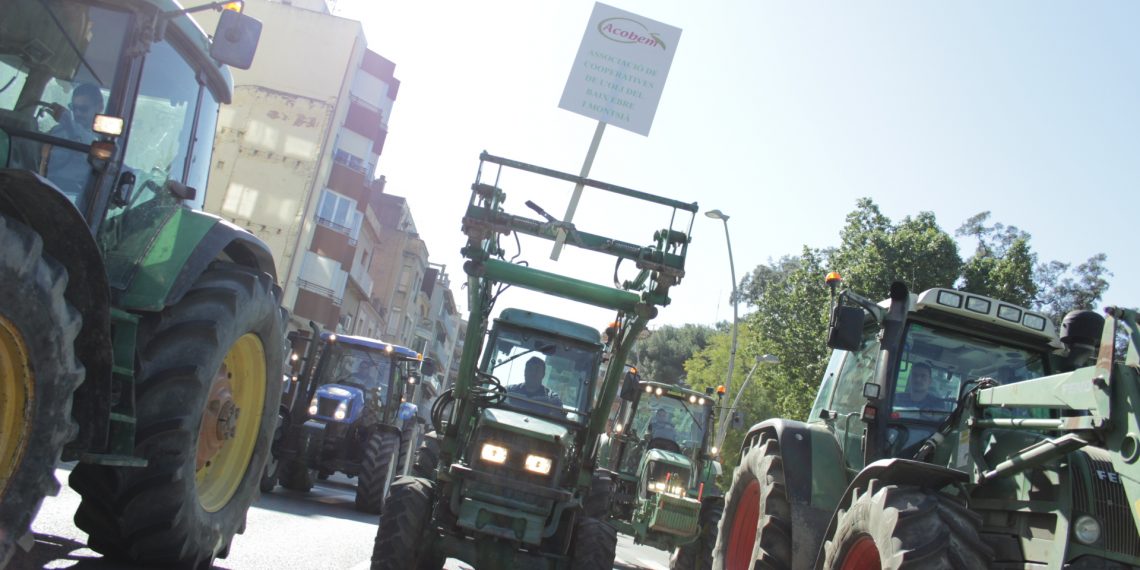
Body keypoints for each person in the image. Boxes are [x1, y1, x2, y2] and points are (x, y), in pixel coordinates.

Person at [42, 83, 104, 198]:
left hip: (73, 201)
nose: (77, 113)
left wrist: (69, 124)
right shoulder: (59, 130)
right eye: (74, 108)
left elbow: (90, 147)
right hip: (41, 186)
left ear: (99, 107)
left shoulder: (103, 141)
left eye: (83, 109)